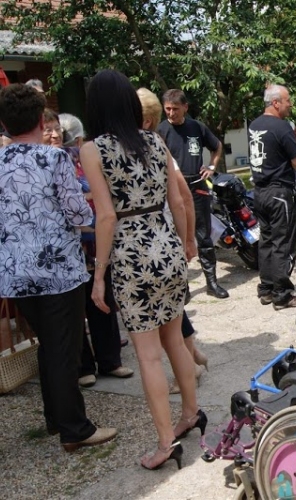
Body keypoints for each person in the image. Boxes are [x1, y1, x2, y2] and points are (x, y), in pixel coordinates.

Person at [79, 70, 203, 470]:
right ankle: (190, 414)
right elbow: (180, 201)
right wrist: (186, 243)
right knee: (175, 339)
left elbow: (106, 217)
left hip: (132, 257)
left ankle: (165, 445)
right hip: (166, 246)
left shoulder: (93, 150)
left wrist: (98, 275)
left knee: (148, 356)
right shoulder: (155, 139)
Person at [0, 83, 117, 452]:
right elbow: (79, 213)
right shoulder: (53, 160)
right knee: (64, 349)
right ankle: (75, 429)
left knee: (50, 347)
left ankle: (56, 418)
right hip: (58, 270)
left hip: (16, 272)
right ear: (39, 119)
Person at [137, 87, 208, 392]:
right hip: (165, 242)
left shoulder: (153, 147)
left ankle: (188, 368)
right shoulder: (152, 145)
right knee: (174, 309)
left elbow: (183, 200)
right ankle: (192, 356)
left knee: (166, 314)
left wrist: (188, 239)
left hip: (159, 241)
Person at [58, 113, 134, 388]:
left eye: (60, 132)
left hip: (95, 241)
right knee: (76, 308)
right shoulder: (53, 163)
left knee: (103, 301)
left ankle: (110, 360)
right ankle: (84, 365)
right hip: (70, 247)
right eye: (52, 132)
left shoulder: (83, 159)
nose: (57, 137)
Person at [157, 89, 228, 299]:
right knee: (177, 238)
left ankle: (212, 283)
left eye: (175, 109)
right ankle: (183, 287)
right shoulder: (160, 131)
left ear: (185, 107)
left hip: (197, 186)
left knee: (203, 236)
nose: (171, 113)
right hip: (174, 190)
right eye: (167, 109)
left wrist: (212, 167)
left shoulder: (196, 127)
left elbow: (217, 146)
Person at [247, 84, 296, 309]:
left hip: (260, 191)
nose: (290, 104)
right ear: (275, 103)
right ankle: (282, 294)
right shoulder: (281, 127)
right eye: (287, 100)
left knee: (267, 241)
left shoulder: (254, 125)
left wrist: (293, 141)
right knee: (284, 243)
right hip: (279, 192)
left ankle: (266, 289)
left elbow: (272, 152)